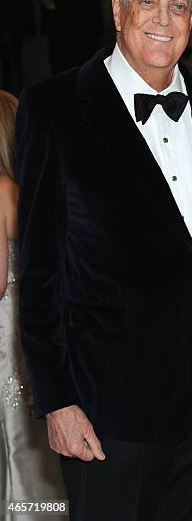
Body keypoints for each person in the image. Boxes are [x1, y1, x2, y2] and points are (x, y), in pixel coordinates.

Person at [16, 0, 192, 521]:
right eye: (148, 2)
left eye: (180, 6)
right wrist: (58, 400)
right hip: (107, 408)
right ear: (117, 9)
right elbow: (40, 272)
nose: (164, 20)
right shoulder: (53, 107)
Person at [0, 90, 66, 520]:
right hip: (24, 330)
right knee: (28, 439)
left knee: (13, 437)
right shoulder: (21, 191)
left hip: (4, 335)